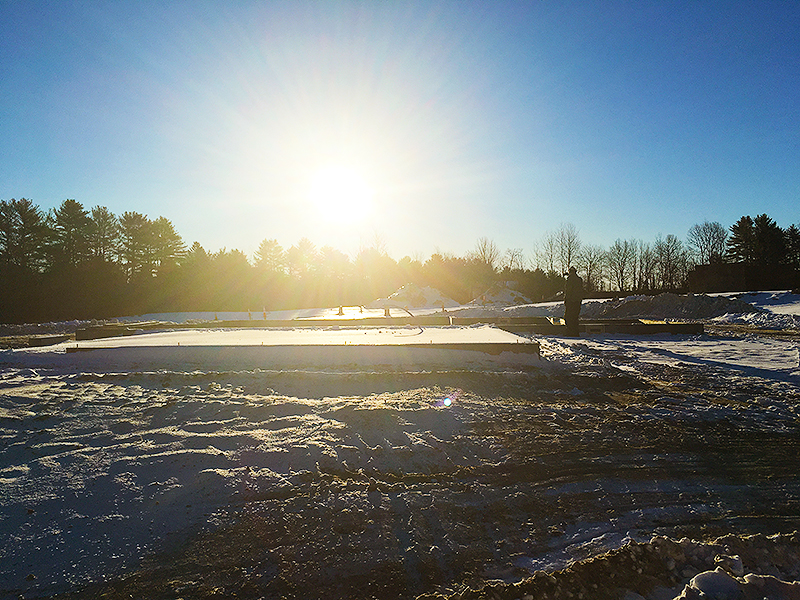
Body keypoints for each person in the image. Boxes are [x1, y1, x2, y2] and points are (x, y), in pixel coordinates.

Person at [563, 266, 584, 336]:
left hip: (571, 301)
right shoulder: (579, 279)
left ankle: (570, 333)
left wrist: (566, 300)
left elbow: (568, 291)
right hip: (578, 301)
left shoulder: (570, 279)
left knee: (568, 317)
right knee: (575, 317)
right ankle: (575, 332)